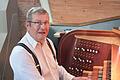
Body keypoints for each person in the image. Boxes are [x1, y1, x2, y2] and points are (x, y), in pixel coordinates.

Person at [9, 7, 88, 80]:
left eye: (46, 22)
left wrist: (72, 79)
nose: (43, 27)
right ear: (27, 25)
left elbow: (55, 68)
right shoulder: (20, 53)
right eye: (38, 23)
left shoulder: (48, 42)